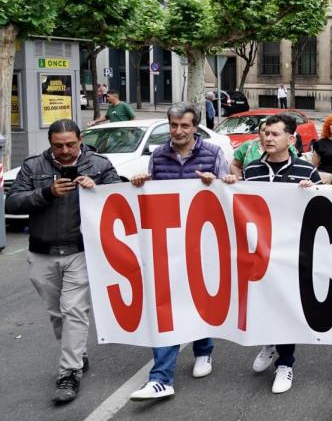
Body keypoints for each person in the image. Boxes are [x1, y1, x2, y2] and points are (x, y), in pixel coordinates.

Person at [6, 119, 119, 403]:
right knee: (58, 314)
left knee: (73, 311)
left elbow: (121, 199)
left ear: (81, 140)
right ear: (50, 144)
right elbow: (12, 202)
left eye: (70, 144)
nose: (65, 151)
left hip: (80, 252)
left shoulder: (100, 165)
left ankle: (68, 374)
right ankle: (78, 353)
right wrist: (47, 193)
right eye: (58, 146)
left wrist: (99, 189)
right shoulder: (33, 167)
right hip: (41, 252)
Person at [127, 103, 232, 401]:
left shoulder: (213, 154)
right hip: (169, 244)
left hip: (204, 243)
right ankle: (161, 377)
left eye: (184, 126)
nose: (178, 131)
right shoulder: (158, 156)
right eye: (173, 125)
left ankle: (204, 349)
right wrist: (139, 183)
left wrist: (216, 184)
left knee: (200, 297)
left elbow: (230, 190)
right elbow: (152, 193)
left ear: (195, 126)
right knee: (167, 306)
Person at [244, 115, 319, 393]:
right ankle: (270, 342)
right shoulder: (251, 170)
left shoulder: (305, 170)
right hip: (261, 251)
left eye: (275, 134)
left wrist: (313, 191)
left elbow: (319, 206)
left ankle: (286, 363)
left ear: (291, 139)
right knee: (263, 302)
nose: (268, 138)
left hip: (291, 251)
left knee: (286, 305)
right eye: (265, 133)